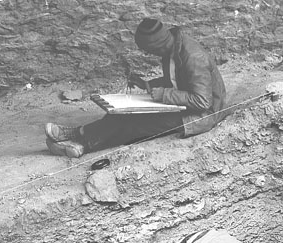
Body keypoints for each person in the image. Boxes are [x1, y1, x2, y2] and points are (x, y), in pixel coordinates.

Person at [45, 18, 227, 158]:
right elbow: (176, 81)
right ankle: (80, 137)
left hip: (200, 115)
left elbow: (203, 101)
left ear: (158, 45)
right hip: (185, 106)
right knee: (124, 115)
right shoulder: (171, 47)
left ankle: (81, 143)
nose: (148, 54)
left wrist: (163, 94)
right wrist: (147, 84)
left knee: (138, 124)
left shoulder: (193, 58)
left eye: (149, 50)